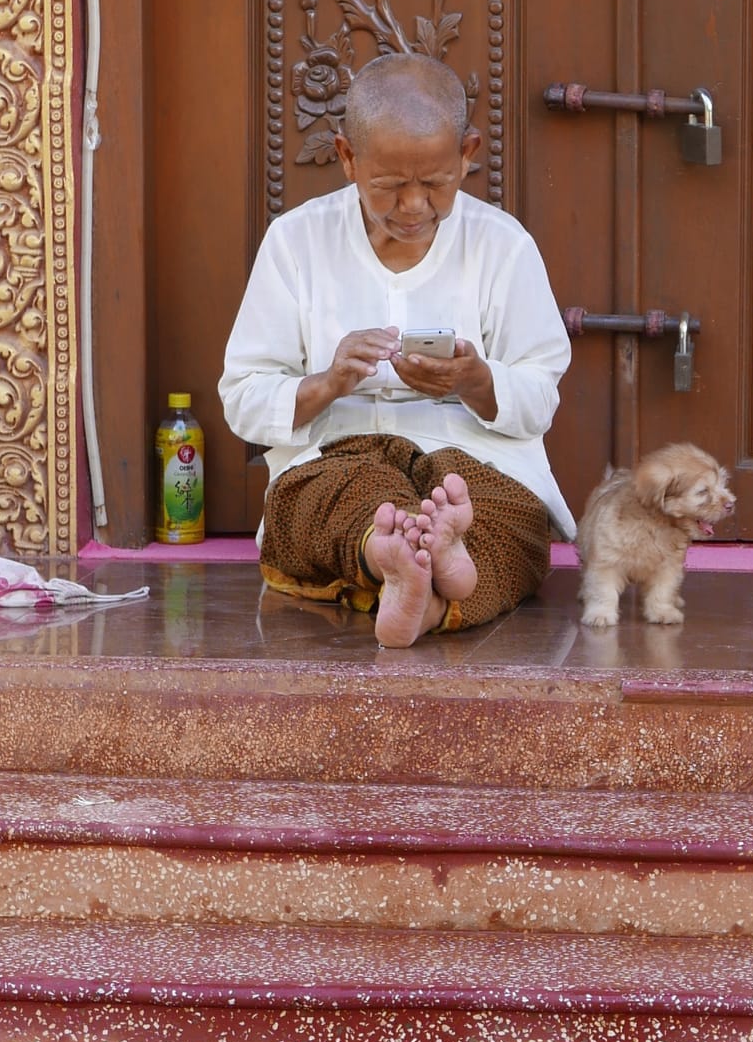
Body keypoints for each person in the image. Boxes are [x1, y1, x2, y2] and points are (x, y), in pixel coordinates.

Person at [219, 53, 574, 646]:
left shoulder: (502, 246)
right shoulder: (296, 242)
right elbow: (243, 398)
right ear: (347, 157)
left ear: (467, 154)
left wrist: (475, 381)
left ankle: (420, 586)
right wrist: (328, 382)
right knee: (335, 496)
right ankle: (401, 552)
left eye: (436, 184)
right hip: (338, 454)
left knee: (509, 518)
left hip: (474, 460)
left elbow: (540, 393)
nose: (413, 206)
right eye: (388, 187)